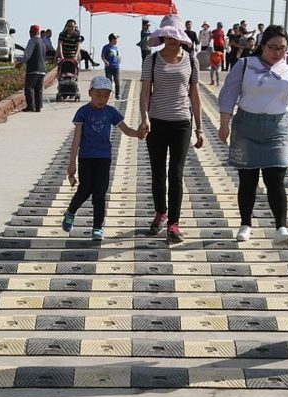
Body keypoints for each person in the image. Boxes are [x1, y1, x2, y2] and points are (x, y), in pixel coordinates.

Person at [218, 25, 288, 246]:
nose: (277, 52)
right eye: (272, 47)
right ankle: (245, 225)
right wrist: (224, 124)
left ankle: (281, 228)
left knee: (276, 178)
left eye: (282, 48)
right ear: (262, 45)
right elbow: (228, 95)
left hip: (276, 128)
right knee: (248, 179)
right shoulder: (244, 65)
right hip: (246, 126)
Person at [138, 14, 204, 243]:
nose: (173, 40)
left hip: (181, 124)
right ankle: (160, 212)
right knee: (157, 172)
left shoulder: (191, 61)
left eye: (176, 36)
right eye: (168, 36)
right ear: (162, 36)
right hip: (156, 122)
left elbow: (195, 95)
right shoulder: (152, 60)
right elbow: (145, 91)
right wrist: (144, 117)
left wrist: (199, 128)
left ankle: (174, 224)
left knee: (175, 173)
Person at [62, 76, 140, 240]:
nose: (102, 99)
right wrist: (72, 164)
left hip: (104, 158)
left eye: (105, 95)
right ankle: (70, 212)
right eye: (98, 95)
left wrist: (138, 134)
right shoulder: (83, 112)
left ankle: (97, 228)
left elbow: (126, 130)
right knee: (84, 190)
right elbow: (76, 139)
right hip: (86, 157)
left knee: (99, 194)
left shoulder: (110, 112)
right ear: (90, 93)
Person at [17, 24, 46, 112]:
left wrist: (20, 63)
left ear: (31, 32)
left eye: (30, 32)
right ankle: (38, 107)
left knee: (29, 88)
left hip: (33, 69)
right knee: (38, 89)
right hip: (42, 70)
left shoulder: (32, 41)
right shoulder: (42, 43)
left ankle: (31, 106)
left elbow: (27, 55)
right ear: (38, 33)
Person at [101, 33, 122, 100]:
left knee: (117, 81)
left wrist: (119, 61)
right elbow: (102, 56)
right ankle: (108, 94)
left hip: (116, 67)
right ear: (112, 39)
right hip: (109, 67)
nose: (117, 41)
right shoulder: (106, 47)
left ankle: (117, 94)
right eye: (116, 39)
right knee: (109, 81)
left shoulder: (115, 48)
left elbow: (118, 56)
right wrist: (105, 61)